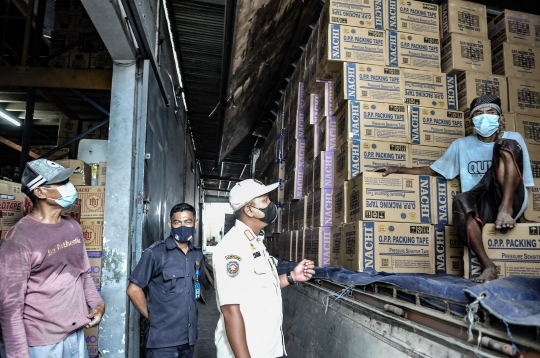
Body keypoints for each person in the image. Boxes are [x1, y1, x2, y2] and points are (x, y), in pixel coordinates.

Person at [376, 95, 534, 283]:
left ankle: (505, 210)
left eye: (491, 113)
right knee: (460, 199)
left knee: (506, 145)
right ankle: (488, 266)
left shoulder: (513, 138)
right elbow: (432, 170)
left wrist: (521, 216)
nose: (485, 117)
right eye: (479, 114)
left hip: (508, 202)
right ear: (471, 121)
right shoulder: (461, 145)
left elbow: (524, 178)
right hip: (482, 204)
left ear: (500, 119)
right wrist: (396, 168)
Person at [0, 159, 105, 358]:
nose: (69, 187)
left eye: (67, 180)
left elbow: (82, 274)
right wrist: (18, 355)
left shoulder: (72, 226)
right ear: (40, 192)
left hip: (75, 334)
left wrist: (98, 304)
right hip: (42, 344)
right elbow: (10, 306)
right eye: (61, 182)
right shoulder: (19, 240)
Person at [213, 179, 316, 357]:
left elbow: (260, 287)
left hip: (266, 348)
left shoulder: (255, 242)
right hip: (249, 352)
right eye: (265, 200)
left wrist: (292, 276)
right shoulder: (232, 248)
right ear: (249, 209)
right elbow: (230, 311)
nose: (271, 205)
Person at [127, 203, 206, 358]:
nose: (183, 226)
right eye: (177, 222)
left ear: (195, 223)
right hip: (162, 342)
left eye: (188, 221)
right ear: (170, 224)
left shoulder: (196, 254)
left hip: (188, 339)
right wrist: (153, 317)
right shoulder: (155, 253)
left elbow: (198, 284)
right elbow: (133, 289)